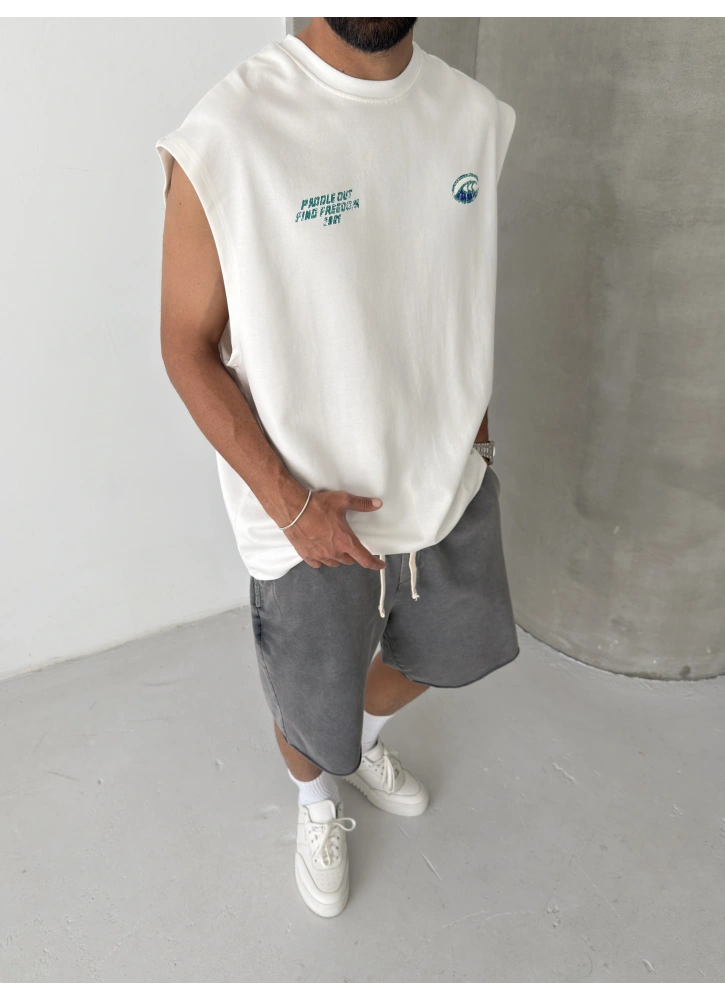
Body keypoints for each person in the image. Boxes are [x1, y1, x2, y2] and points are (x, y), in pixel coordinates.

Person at [156, 16, 519, 918]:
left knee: (444, 653)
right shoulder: (229, 132)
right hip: (308, 511)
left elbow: (450, 289)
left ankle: (358, 743)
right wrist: (289, 506)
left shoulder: (472, 115)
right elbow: (185, 343)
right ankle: (318, 798)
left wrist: (476, 441)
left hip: (447, 480)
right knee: (307, 709)